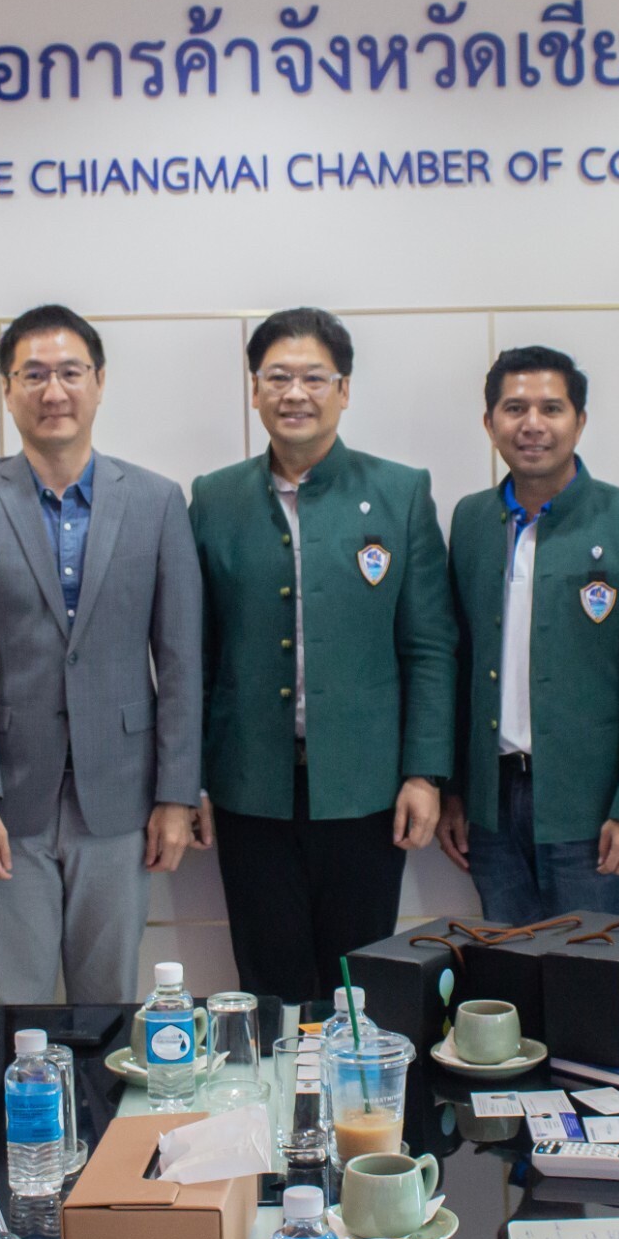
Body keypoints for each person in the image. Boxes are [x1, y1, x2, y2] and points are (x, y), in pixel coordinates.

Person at [0, 305, 201, 1003]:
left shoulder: (158, 501)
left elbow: (182, 659)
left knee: (109, 1007)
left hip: (121, 794)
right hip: (8, 798)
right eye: (34, 375)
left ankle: (105, 1117)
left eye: (70, 373)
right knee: (15, 1008)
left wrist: (174, 795)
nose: (54, 391)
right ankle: (26, 1120)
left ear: (99, 382)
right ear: (7, 389)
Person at [190, 308, 455, 1003]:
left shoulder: (399, 493)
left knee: (357, 988)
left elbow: (430, 645)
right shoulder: (213, 500)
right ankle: (276, 1113)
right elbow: (198, 650)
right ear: (254, 390)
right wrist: (189, 777)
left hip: (366, 790)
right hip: (250, 788)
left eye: (314, 377)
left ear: (345, 389)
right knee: (267, 986)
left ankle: (357, 1114)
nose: (295, 393)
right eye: (277, 377)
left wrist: (424, 773)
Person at [439, 345, 619, 923]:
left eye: (551, 408)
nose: (532, 425)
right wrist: (453, 791)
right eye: (514, 408)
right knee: (508, 986)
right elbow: (456, 663)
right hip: (491, 806)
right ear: (489, 423)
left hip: (592, 808)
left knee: (590, 985)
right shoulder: (471, 521)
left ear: (580, 421)